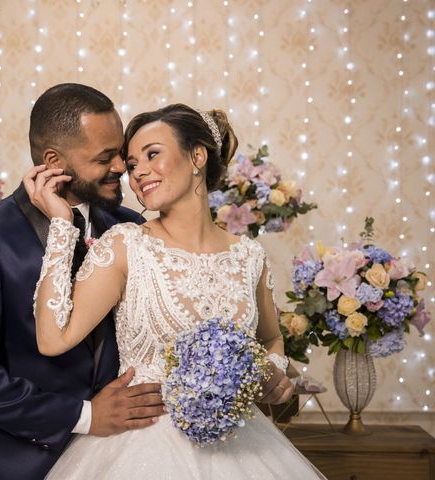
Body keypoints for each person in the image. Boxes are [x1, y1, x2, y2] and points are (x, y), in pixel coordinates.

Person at [27, 103, 326, 479]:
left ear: (197, 155)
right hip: (141, 450)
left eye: (153, 155)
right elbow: (52, 340)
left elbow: (272, 340)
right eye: (133, 164)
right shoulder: (125, 245)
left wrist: (267, 375)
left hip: (243, 449)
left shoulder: (249, 255)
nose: (137, 174)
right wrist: (61, 224)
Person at [0, 83, 166, 480]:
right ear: (53, 161)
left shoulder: (132, 226)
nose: (120, 168)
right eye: (105, 157)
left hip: (125, 459)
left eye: (120, 152)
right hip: (19, 465)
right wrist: (87, 415)